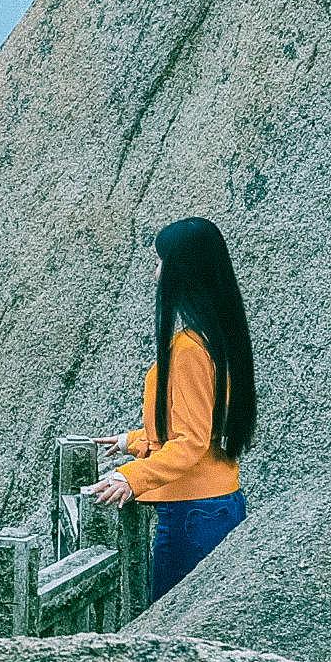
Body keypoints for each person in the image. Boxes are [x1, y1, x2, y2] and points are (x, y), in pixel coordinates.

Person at [91, 217, 256, 606]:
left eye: (161, 260)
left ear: (183, 270)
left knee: (174, 637)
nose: (156, 271)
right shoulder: (220, 336)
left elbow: (191, 442)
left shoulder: (188, 350)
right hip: (220, 502)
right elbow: (203, 427)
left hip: (191, 516)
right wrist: (137, 441)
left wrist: (131, 478)